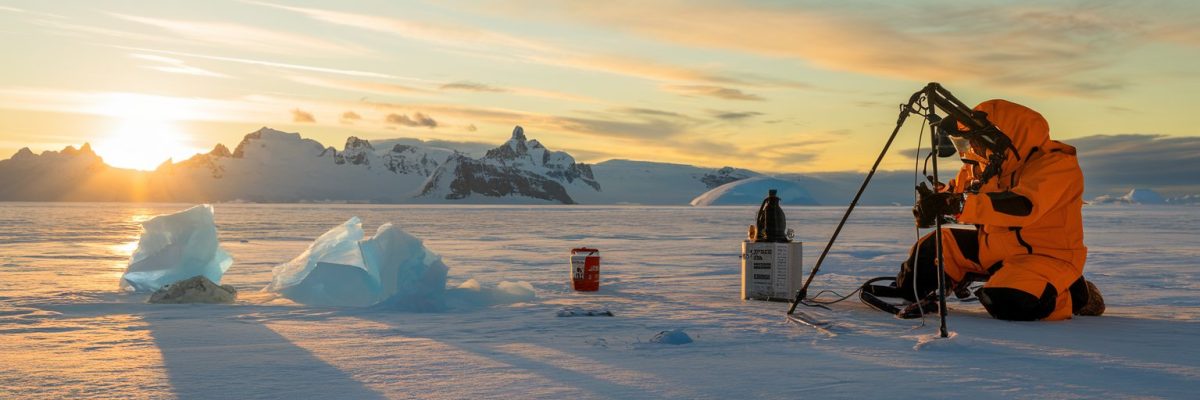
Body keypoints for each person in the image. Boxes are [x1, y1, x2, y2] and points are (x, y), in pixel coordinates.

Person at [900, 99, 1103, 321]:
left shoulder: (1056, 164)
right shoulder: (982, 166)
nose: (968, 149)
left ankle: (1074, 294)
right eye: (963, 143)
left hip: (1043, 256)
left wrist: (958, 205)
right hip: (993, 250)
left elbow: (1023, 206)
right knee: (931, 251)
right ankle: (913, 290)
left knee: (1009, 301)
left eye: (971, 142)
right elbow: (960, 190)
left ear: (998, 137)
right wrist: (938, 200)